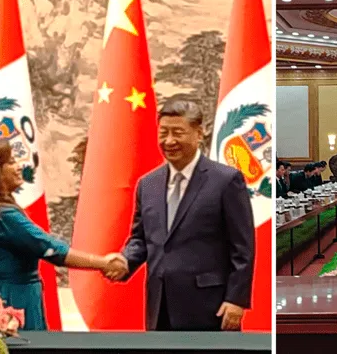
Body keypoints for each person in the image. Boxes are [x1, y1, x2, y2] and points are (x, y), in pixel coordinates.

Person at [108, 101, 255, 331]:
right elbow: (140, 238)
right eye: (163, 132)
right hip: (160, 305)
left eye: (178, 133)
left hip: (210, 307)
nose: (169, 141)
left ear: (199, 133)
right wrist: (125, 260)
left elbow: (242, 247)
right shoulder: (148, 184)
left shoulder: (226, 181)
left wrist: (236, 299)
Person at [0, 140, 127, 330]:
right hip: (11, 301)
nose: (19, 166)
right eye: (11, 161)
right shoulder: (3, 216)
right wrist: (103, 263)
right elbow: (51, 249)